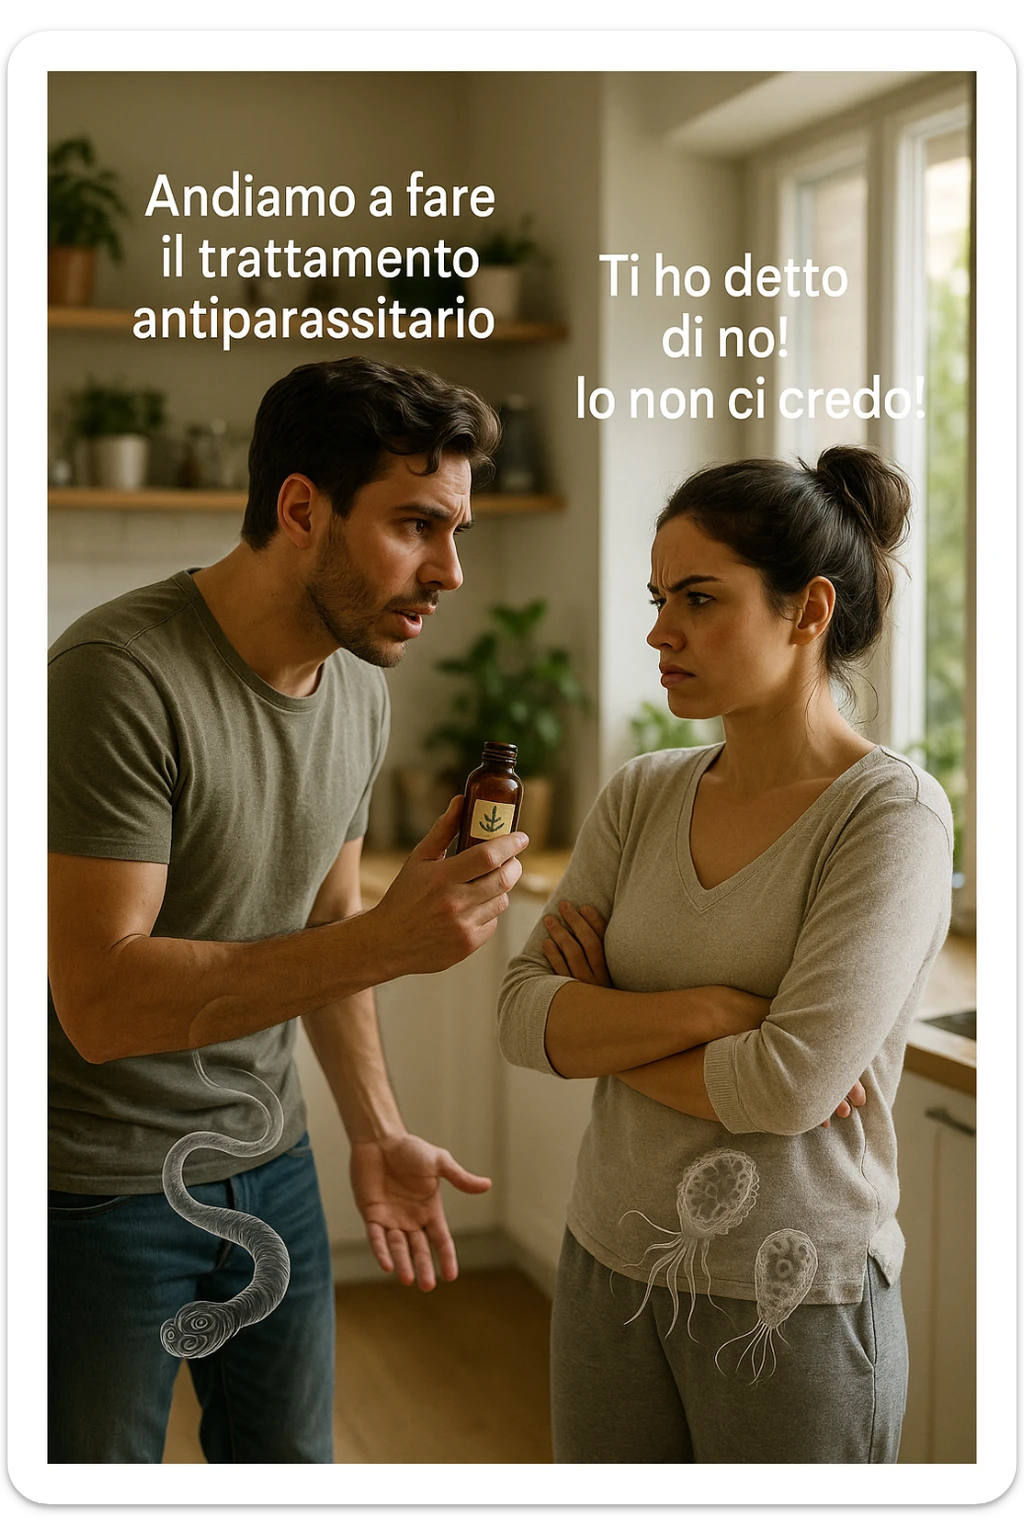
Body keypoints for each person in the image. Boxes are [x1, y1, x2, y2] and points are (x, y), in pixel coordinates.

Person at [47, 356, 530, 1465]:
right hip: (101, 1187)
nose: (449, 571)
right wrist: (389, 943)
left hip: (273, 1167)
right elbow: (102, 1002)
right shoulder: (118, 676)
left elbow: (326, 926)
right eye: (416, 524)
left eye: (457, 530)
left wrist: (374, 1128)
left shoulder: (358, 686)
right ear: (302, 508)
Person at [498, 445, 954, 1464]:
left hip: (790, 1295)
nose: (659, 630)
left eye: (698, 598)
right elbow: (520, 1018)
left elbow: (789, 1087)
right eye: (659, 596)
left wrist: (603, 1023)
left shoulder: (888, 816)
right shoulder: (642, 790)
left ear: (808, 609)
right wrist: (716, 1010)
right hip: (606, 1261)